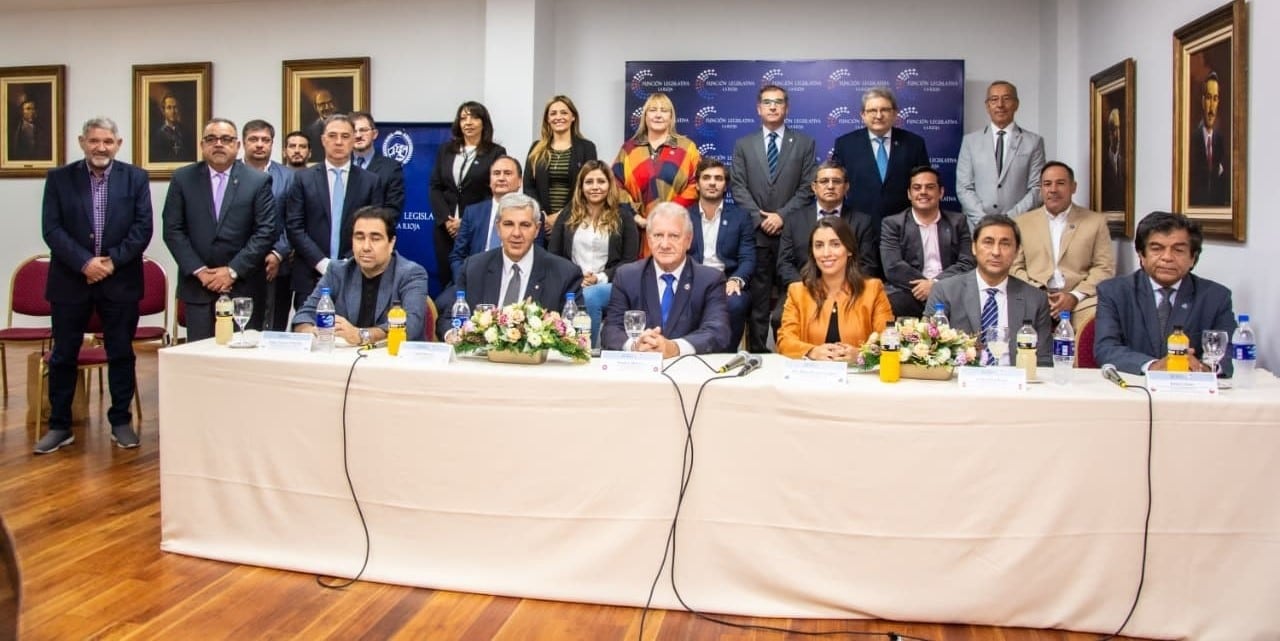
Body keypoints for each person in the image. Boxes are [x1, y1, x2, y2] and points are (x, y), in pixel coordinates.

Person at [37, 117, 152, 453]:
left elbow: (143, 228)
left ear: (118, 143)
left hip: (120, 281)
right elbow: (52, 229)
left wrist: (111, 262)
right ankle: (59, 426)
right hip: (71, 281)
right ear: (81, 142)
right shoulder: (59, 179)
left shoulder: (135, 178)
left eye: (107, 141)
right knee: (63, 355)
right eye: (94, 141)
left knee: (120, 353)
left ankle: (120, 421)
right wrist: (85, 263)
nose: (101, 147)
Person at [162, 118, 277, 340]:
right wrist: (200, 271)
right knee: (200, 357)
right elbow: (173, 230)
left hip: (242, 287)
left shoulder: (258, 180)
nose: (218, 144)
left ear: (237, 145)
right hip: (198, 286)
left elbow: (265, 232)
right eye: (211, 139)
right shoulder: (183, 178)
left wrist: (232, 271)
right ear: (202, 145)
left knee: (241, 357)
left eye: (226, 139)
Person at [731, 84, 817, 353]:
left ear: (786, 108)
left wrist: (781, 216)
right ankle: (757, 353)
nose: (772, 107)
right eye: (767, 102)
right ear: (758, 108)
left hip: (791, 233)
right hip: (756, 234)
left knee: (791, 297)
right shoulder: (744, 145)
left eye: (778, 102)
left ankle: (789, 351)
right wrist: (759, 217)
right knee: (758, 300)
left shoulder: (804, 143)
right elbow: (738, 186)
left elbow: (807, 187)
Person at [1094, 211, 1235, 375]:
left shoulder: (1215, 297)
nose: (1167, 257)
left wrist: (1205, 368)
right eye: (1157, 249)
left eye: (1178, 250)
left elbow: (1231, 352)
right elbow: (1106, 349)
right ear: (1141, 255)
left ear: (1193, 258)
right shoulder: (1114, 292)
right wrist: (1154, 366)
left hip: (1191, 391)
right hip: (1134, 389)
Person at [440, 193, 583, 339]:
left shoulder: (565, 273)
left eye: (525, 225)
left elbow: (574, 330)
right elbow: (449, 319)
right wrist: (453, 335)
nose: (516, 233)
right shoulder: (474, 268)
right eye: (508, 224)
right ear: (498, 227)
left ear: (537, 229)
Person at [285, 114, 385, 317]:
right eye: (332, 135)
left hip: (355, 273)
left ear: (353, 140)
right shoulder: (303, 179)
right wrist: (323, 263)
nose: (338, 141)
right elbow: (295, 227)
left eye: (345, 136)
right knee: (310, 335)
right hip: (310, 274)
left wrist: (345, 263)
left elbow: (374, 230)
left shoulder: (370, 181)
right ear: (323, 140)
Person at [601, 202, 731, 356]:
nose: (665, 244)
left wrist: (674, 347)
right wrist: (636, 346)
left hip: (688, 373)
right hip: (639, 370)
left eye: (674, 236)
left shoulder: (710, 279)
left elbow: (718, 332)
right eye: (658, 235)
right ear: (649, 240)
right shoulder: (627, 276)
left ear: (688, 240)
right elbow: (611, 330)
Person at [926, 214, 1053, 366]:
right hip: (961, 384)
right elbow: (929, 352)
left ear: (1017, 251)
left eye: (1005, 244)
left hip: (1016, 385)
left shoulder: (1035, 299)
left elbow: (1044, 362)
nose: (996, 252)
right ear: (973, 247)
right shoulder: (945, 291)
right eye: (988, 242)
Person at [293, 206, 430, 344]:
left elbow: (411, 325)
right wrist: (312, 331)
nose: (365, 247)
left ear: (391, 243)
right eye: (359, 237)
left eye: (375, 239)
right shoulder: (337, 271)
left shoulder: (410, 274)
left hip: (394, 359)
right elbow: (303, 316)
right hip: (343, 360)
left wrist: (362, 335)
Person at [1011, 161, 1115, 334]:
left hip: (1079, 300)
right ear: (1041, 189)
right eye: (1047, 184)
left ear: (1073, 187)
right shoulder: (1022, 222)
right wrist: (1039, 294)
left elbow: (1104, 268)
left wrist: (1075, 296)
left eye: (1060, 183)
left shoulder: (1095, 222)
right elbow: (1014, 267)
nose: (1053, 189)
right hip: (1034, 295)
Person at [546, 160, 639, 346]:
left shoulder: (624, 217)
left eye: (601, 181)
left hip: (611, 285)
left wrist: (599, 278)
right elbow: (554, 255)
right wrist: (575, 278)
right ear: (581, 187)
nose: (595, 187)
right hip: (573, 282)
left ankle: (587, 349)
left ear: (609, 185)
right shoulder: (567, 215)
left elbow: (629, 261)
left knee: (591, 296)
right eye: (589, 182)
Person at [776, 217, 893, 361]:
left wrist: (861, 355)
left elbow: (888, 341)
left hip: (859, 379)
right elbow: (785, 342)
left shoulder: (873, 290)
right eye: (819, 245)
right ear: (812, 252)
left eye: (835, 244)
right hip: (811, 377)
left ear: (849, 249)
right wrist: (811, 352)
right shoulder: (798, 292)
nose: (826, 253)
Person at [612, 92, 701, 258]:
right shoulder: (629, 149)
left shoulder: (687, 148)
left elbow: (695, 184)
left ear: (671, 117)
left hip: (675, 228)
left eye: (664, 110)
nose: (658, 115)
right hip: (637, 232)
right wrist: (636, 217)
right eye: (653, 110)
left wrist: (668, 213)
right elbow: (615, 186)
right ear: (645, 116)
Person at [880, 166, 976, 319]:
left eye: (930, 187)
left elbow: (967, 262)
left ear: (941, 192)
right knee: (888, 301)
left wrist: (936, 285)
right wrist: (925, 286)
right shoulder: (893, 224)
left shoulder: (958, 222)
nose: (923, 192)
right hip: (908, 291)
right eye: (917, 188)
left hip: (948, 289)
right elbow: (893, 267)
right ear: (909, 194)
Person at [429, 101, 507, 287]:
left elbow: (496, 191)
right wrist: (447, 220)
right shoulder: (446, 150)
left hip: (475, 226)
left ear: (483, 122)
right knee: (447, 278)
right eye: (463, 118)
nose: (468, 122)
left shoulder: (495, 152)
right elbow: (435, 186)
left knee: (475, 278)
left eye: (473, 117)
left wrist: (466, 220)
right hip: (445, 228)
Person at [831, 86, 930, 224]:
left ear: (895, 113)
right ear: (863, 115)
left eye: (884, 110)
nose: (878, 115)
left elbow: (925, 183)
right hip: (858, 225)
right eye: (872, 110)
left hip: (903, 225)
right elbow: (836, 185)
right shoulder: (845, 144)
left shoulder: (914, 143)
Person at [956, 81, 1046, 229]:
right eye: (994, 99)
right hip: (979, 227)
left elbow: (1036, 188)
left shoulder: (1033, 142)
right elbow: (964, 187)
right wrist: (984, 219)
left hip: (1020, 226)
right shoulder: (970, 142)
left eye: (1006, 98)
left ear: (1016, 104)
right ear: (987, 106)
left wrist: (1009, 219)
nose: (1000, 104)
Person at [777, 163, 880, 292]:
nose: (830, 186)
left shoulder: (862, 222)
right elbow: (784, 264)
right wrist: (806, 288)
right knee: (779, 313)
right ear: (814, 187)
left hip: (849, 292)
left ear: (846, 187)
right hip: (803, 289)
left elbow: (868, 265)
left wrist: (842, 288)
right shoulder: (794, 220)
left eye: (836, 181)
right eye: (824, 181)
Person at [686, 158, 754, 349]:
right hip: (691, 281)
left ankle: (726, 355)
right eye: (706, 178)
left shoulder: (741, 217)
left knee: (736, 303)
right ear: (697, 184)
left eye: (718, 178)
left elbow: (748, 258)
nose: (712, 183)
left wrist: (736, 280)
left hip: (727, 282)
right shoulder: (684, 216)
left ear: (725, 185)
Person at [241, 119, 299, 331]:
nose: (259, 144)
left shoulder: (289, 177)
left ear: (272, 144)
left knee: (275, 327)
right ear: (243, 142)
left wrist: (278, 253)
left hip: (278, 265)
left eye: (265, 140)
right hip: (239, 264)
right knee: (243, 326)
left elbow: (294, 220)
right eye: (253, 139)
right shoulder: (232, 173)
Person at [449, 155, 537, 279]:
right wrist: (464, 281)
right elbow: (457, 256)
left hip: (514, 281)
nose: (501, 178)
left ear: (519, 181)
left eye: (507, 173)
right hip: (473, 279)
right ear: (490, 181)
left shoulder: (531, 213)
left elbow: (535, 257)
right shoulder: (472, 212)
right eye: (496, 173)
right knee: (443, 299)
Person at [524, 95, 598, 232]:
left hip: (575, 221)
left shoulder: (587, 148)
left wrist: (560, 216)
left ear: (573, 117)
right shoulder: (536, 148)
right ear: (548, 119)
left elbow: (587, 187)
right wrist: (542, 215)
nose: (558, 117)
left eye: (564, 112)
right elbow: (528, 187)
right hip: (541, 223)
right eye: (553, 113)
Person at [350, 111, 406, 214]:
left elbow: (393, 210)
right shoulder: (342, 165)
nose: (358, 135)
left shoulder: (391, 168)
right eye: (353, 131)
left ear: (374, 134)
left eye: (363, 130)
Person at [1188, 71, 1229, 206]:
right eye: (1208, 98)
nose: (1212, 107)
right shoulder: (1191, 141)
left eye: (1215, 99)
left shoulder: (1221, 142)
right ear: (1202, 100)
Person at [151, 93, 192, 163]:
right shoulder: (157, 135)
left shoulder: (186, 132)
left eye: (175, 107)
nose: (173, 111)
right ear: (163, 111)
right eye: (169, 108)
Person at [304, 88, 339, 163]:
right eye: (322, 104)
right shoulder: (309, 132)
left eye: (329, 102)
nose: (327, 107)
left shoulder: (347, 125)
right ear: (315, 107)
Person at [1101, 108, 1125, 213]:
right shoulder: (1103, 163)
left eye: (1118, 128)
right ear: (1109, 132)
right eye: (1113, 129)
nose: (1116, 134)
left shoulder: (1125, 160)